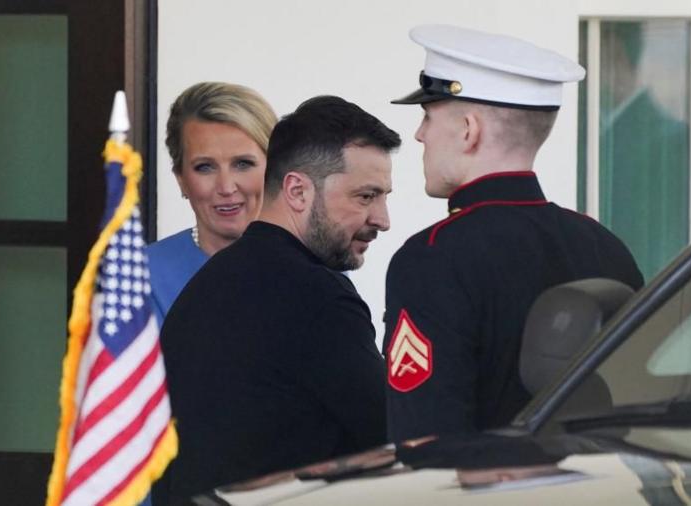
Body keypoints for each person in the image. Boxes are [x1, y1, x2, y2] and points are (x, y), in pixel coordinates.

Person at [383, 24, 644, 442]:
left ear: (469, 129)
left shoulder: (432, 256)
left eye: (428, 116)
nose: (420, 134)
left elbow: (424, 440)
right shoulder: (606, 245)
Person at [158, 95, 401, 501]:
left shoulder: (207, 284)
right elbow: (394, 436)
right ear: (297, 191)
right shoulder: (318, 297)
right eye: (365, 196)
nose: (382, 219)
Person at [146, 81, 277, 324]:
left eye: (243, 164)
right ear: (181, 179)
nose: (226, 187)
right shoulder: (142, 277)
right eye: (204, 167)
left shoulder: (317, 270)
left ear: (274, 169)